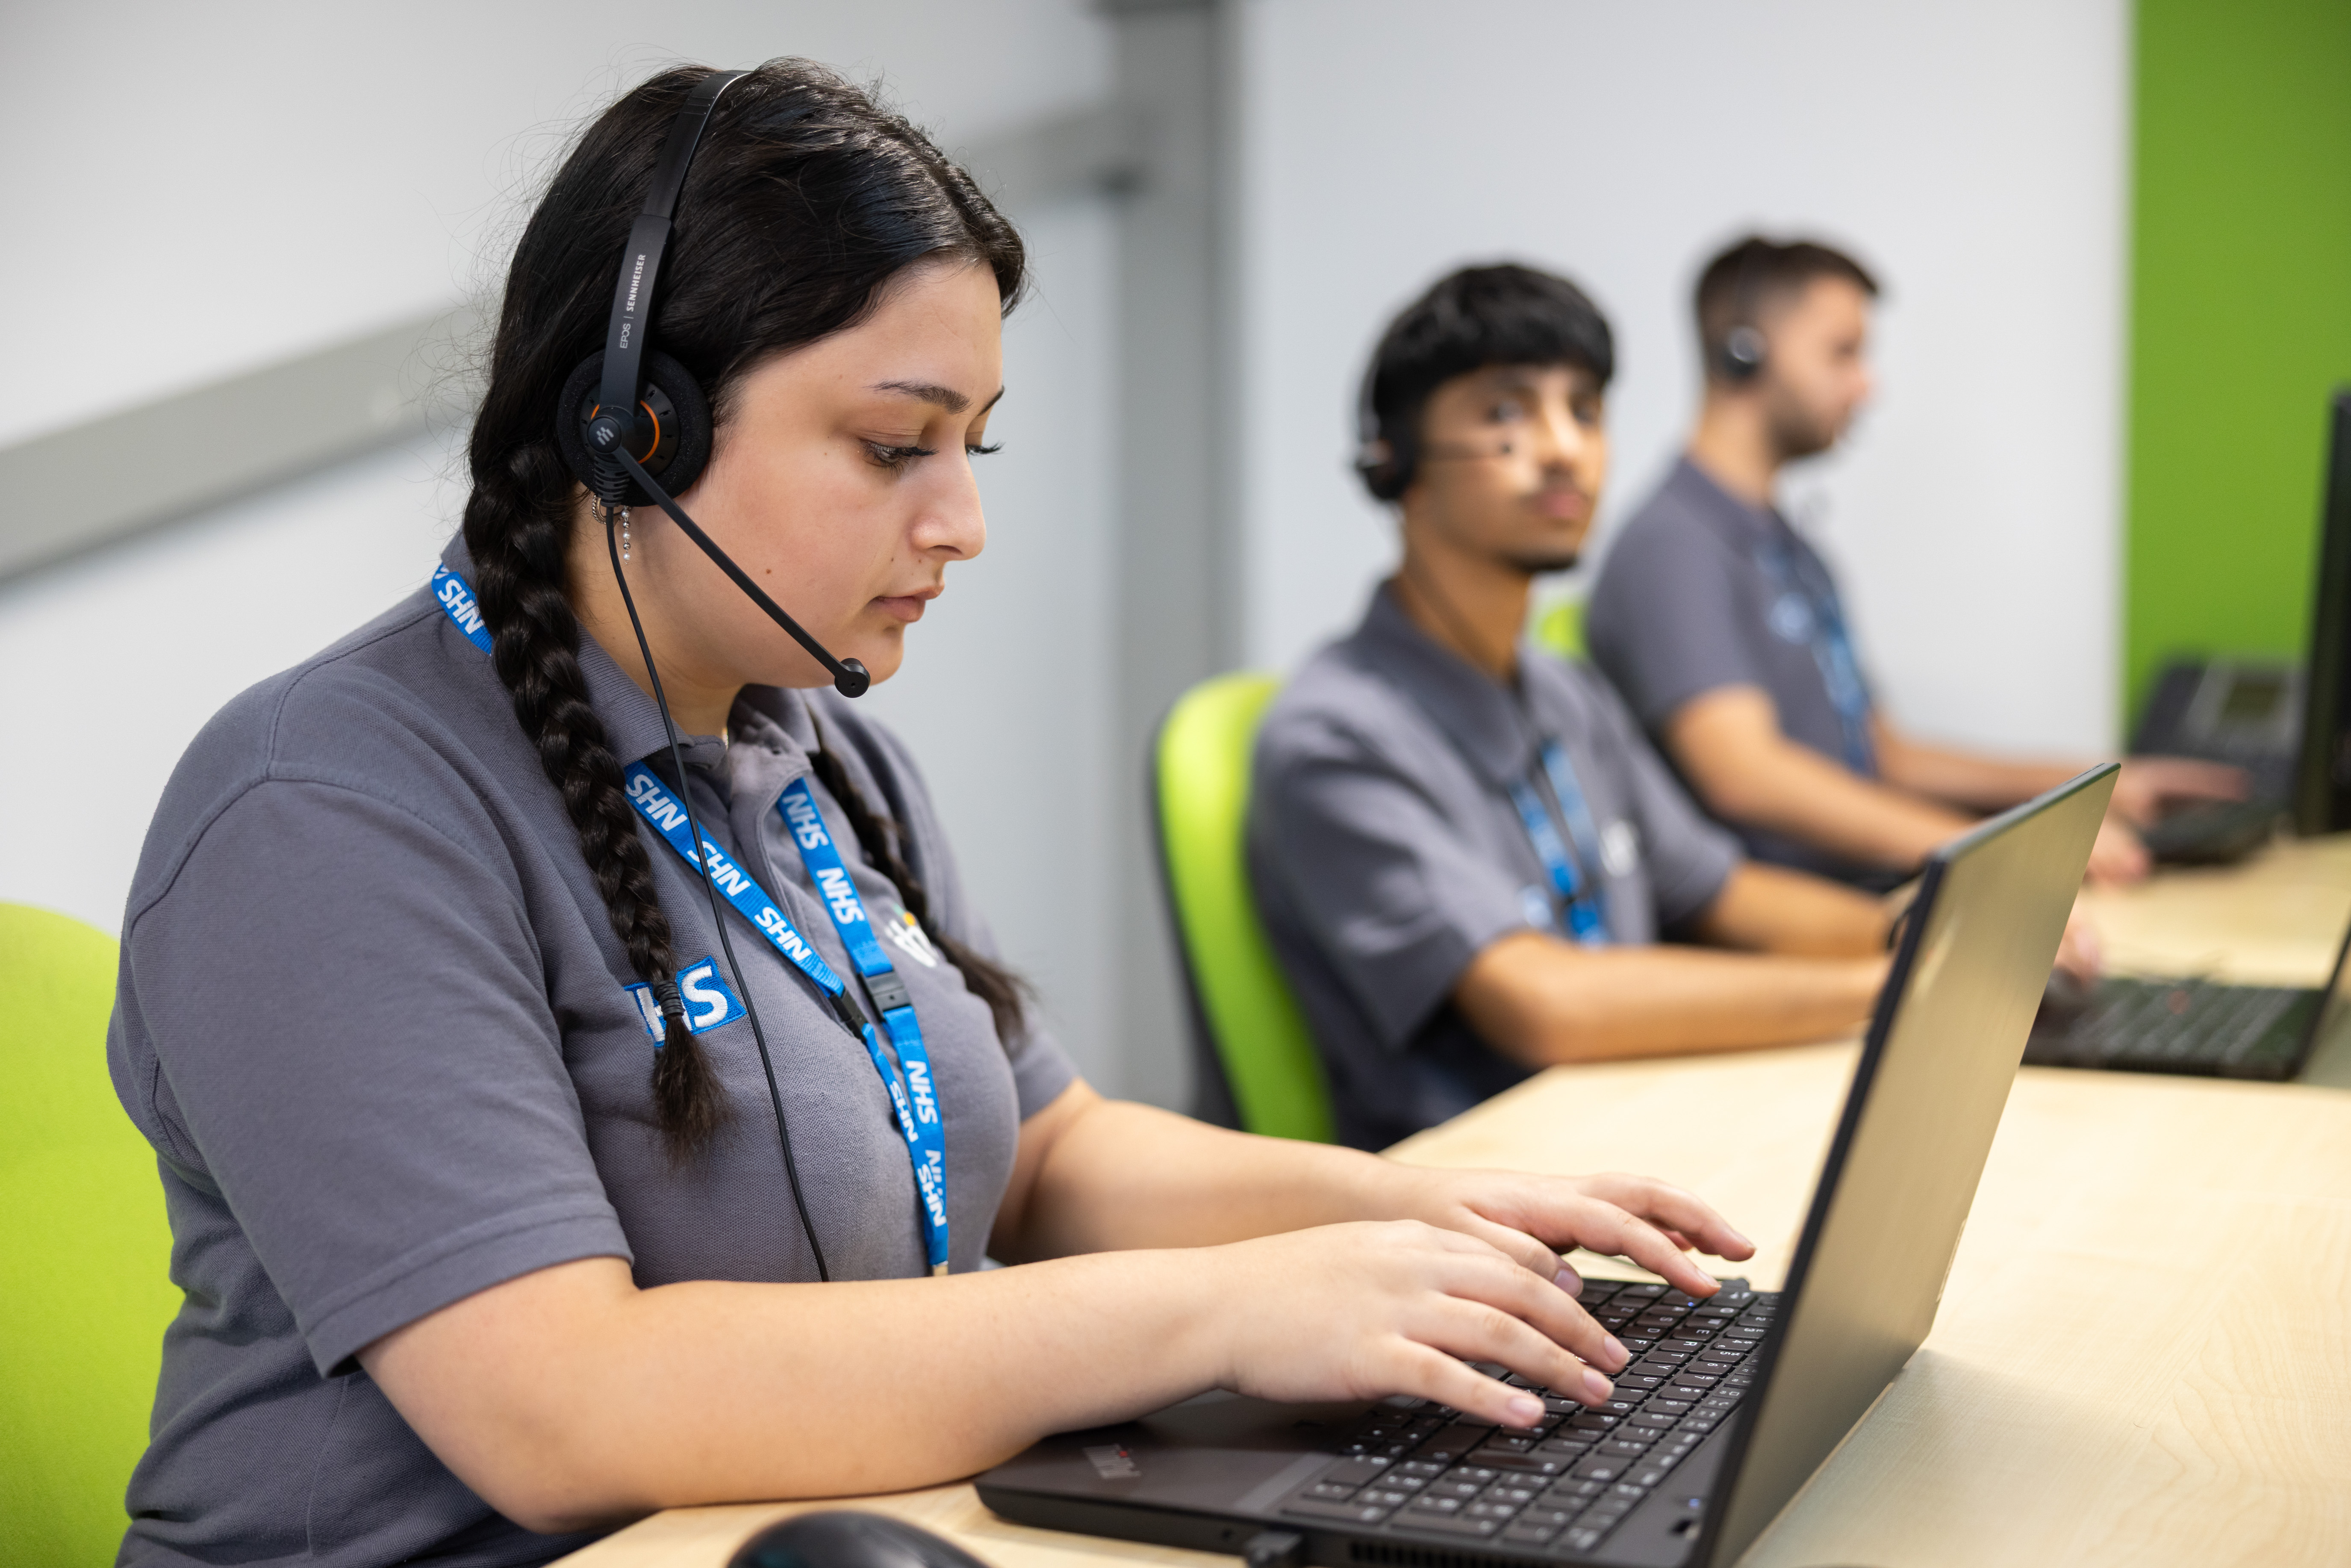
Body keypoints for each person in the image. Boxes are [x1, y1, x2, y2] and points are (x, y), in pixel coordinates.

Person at [106, 66, 1754, 1568]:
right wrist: (1227, 1308)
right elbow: (565, 1406)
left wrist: (1394, 1211)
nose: (961, 519)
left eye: (973, 444)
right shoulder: (324, 810)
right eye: (896, 443)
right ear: (635, 432)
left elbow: (1048, 1150)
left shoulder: (810, 741)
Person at [1246, 264, 1900, 1153]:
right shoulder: (1335, 736)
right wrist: (1884, 989)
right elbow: (1545, 1003)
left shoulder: (1564, 690)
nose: (1563, 447)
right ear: (1394, 461)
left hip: (1637, 1130)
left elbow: (1721, 890)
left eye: (1584, 410)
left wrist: (1920, 933)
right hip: (1486, 1204)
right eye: (1506, 413)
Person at [1584, 236, 2243, 888]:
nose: (1866, 385)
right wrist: (1986, 855)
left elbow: (1881, 756)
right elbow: (1744, 775)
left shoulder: (1791, 548)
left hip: (1872, 902)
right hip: (1786, 945)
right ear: (1743, 353)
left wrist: (2091, 789)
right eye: (1842, 353)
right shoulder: (1671, 547)